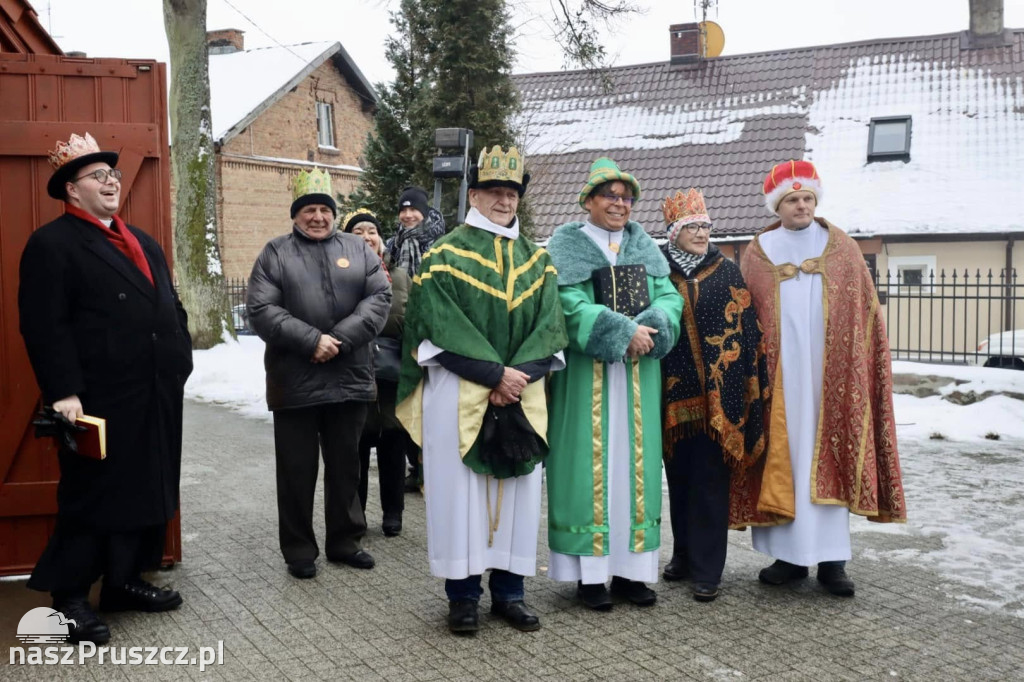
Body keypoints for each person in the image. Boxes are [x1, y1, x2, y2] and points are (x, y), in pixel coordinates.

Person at [18, 132, 193, 644]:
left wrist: (179, 356)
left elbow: (169, 304)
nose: (112, 181)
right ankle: (69, 598)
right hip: (98, 396)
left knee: (147, 487)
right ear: (72, 191)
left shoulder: (142, 241)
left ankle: (123, 581)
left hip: (155, 390)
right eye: (98, 176)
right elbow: (44, 325)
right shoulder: (52, 244)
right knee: (93, 496)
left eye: (113, 174)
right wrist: (63, 391)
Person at [396, 145, 567, 634]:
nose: (503, 200)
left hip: (522, 392)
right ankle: (463, 597)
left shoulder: (539, 260)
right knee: (460, 497)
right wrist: (495, 375)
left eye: (511, 192)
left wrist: (516, 377)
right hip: (460, 392)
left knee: (518, 496)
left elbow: (551, 330)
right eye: (493, 190)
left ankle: (510, 594)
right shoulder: (444, 256)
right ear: (473, 195)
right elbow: (432, 330)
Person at [732, 160, 906, 596]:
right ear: (778, 205)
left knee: (832, 453)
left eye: (808, 198)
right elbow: (746, 316)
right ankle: (788, 559)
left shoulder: (841, 247)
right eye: (792, 199)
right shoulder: (759, 252)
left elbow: (864, 314)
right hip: (780, 381)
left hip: (832, 378)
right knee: (786, 458)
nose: (802, 205)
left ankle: (833, 562)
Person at [545, 158, 683, 610]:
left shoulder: (644, 247)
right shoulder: (566, 247)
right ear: (588, 200)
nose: (620, 204)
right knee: (586, 470)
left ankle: (632, 573)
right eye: (610, 195)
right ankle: (589, 578)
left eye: (626, 198)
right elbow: (566, 303)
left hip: (640, 376)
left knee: (635, 470)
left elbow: (670, 298)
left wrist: (653, 325)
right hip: (586, 379)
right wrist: (622, 332)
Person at [247, 169, 391, 580]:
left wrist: (339, 340)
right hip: (294, 381)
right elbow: (262, 309)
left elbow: (380, 297)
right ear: (295, 215)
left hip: (349, 377)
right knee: (296, 470)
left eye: (324, 209)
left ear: (334, 213)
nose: (317, 217)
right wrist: (312, 341)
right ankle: (299, 550)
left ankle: (345, 541)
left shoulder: (358, 249)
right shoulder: (275, 253)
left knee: (346, 467)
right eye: (308, 209)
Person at [658, 188, 769, 602]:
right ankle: (683, 555)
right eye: (692, 227)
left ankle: (708, 570)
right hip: (671, 397)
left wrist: (743, 390)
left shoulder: (727, 272)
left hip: (720, 400)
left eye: (705, 226)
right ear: (674, 233)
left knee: (709, 483)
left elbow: (747, 331)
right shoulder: (659, 271)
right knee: (678, 479)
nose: (702, 234)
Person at [343, 208, 411, 537]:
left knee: (393, 446)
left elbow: (411, 322)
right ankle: (354, 517)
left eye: (371, 231)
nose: (366, 237)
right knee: (354, 450)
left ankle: (393, 513)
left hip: (391, 377)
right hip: (353, 374)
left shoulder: (400, 276)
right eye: (357, 232)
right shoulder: (338, 275)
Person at [385, 185, 446, 279]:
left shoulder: (442, 245)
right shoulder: (391, 246)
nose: (408, 215)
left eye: (413, 209)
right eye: (403, 210)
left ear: (424, 213)